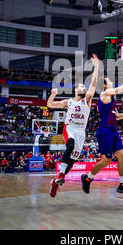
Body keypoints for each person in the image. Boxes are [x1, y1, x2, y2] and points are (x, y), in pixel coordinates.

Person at [81, 72, 123, 195]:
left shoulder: (111, 100)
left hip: (113, 130)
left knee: (122, 156)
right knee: (107, 159)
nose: (112, 83)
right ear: (104, 85)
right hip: (105, 130)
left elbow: (117, 116)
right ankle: (87, 178)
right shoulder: (105, 94)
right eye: (109, 81)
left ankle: (122, 184)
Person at [47, 54, 99, 197]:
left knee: (73, 160)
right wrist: (52, 94)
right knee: (70, 144)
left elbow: (93, 84)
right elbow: (50, 105)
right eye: (82, 86)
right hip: (69, 128)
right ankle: (62, 174)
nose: (84, 87)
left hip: (81, 131)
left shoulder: (87, 100)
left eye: (84, 86)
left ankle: (56, 181)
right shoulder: (68, 101)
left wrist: (96, 67)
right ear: (76, 90)